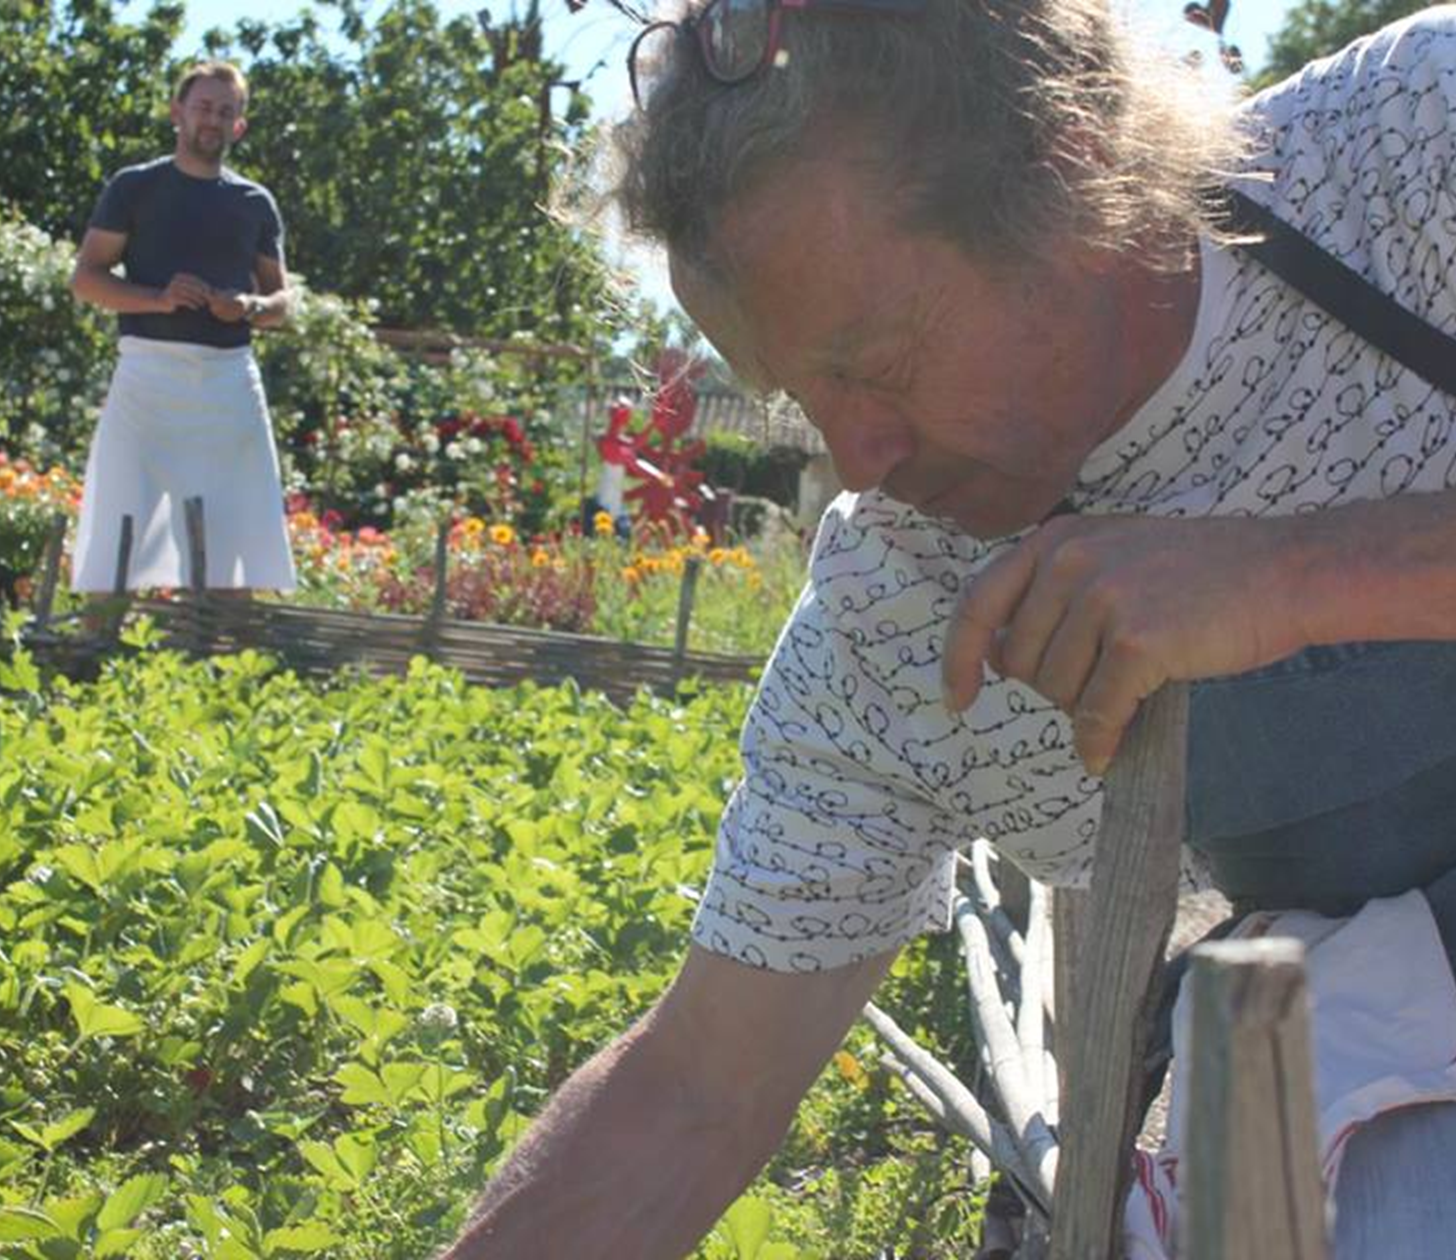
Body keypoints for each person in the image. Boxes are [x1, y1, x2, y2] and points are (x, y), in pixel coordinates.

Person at [445, 3, 1456, 1257]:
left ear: (1076, 170)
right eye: (805, 399)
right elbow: (698, 1094)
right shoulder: (902, 617)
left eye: (878, 362)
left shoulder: (1416, 142)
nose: (857, 461)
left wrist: (1298, 576)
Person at [69, 60, 296, 597]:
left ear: (239, 125)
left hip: (228, 382)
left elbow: (282, 302)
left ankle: (226, 664)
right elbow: (86, 278)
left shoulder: (254, 202)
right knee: (118, 518)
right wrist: (157, 297)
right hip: (146, 376)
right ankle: (95, 652)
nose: (212, 120)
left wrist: (245, 305)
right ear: (177, 112)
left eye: (226, 111)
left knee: (236, 534)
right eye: (202, 107)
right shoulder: (134, 187)